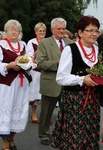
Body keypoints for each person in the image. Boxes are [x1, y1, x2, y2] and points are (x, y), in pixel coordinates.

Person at [50, 15, 101, 150]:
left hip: (93, 100)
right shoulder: (70, 49)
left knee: (90, 136)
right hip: (75, 101)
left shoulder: (97, 49)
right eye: (90, 30)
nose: (94, 34)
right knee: (75, 138)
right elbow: (60, 78)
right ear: (80, 32)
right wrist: (82, 79)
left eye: (96, 30)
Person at [36, 17, 73, 146]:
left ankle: (64, 134)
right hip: (50, 82)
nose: (61, 31)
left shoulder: (71, 43)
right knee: (46, 112)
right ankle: (44, 134)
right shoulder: (44, 43)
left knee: (68, 112)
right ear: (52, 29)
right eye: (59, 28)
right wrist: (59, 63)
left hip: (68, 83)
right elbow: (40, 63)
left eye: (63, 28)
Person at [0, 19, 31, 150]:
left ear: (19, 32)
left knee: (18, 111)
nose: (13, 31)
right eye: (10, 29)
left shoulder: (23, 45)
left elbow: (30, 61)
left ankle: (12, 138)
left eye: (16, 29)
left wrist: (28, 64)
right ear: (6, 32)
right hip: (7, 85)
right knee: (7, 110)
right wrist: (9, 65)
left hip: (21, 85)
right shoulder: (1, 45)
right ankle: (5, 142)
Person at [26, 22, 47, 124]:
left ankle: (44, 115)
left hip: (46, 70)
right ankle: (34, 113)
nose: (42, 32)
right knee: (34, 94)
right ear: (36, 32)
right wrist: (39, 48)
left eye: (43, 31)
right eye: (40, 31)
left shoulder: (48, 42)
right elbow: (30, 57)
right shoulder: (31, 42)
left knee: (46, 94)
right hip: (36, 71)